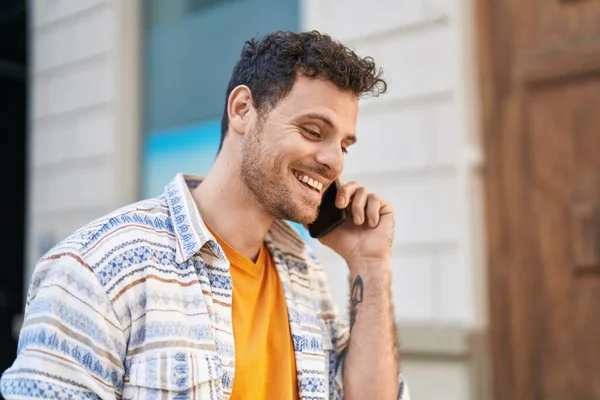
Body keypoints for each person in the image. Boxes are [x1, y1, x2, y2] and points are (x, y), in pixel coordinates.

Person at [0, 30, 411, 399]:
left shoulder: (305, 276)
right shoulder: (97, 269)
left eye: (344, 145)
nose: (334, 162)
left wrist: (370, 265)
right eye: (313, 132)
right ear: (243, 109)